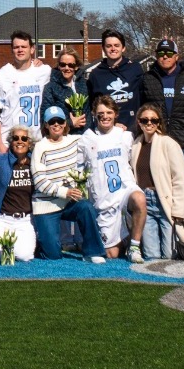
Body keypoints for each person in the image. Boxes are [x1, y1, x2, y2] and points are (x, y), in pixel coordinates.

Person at [27, 106, 106, 262]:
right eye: (52, 122)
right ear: (46, 125)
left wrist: (120, 129)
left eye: (60, 121)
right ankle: (41, 243)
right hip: (46, 204)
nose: (56, 125)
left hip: (70, 203)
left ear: (65, 124)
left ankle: (93, 252)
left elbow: (100, 139)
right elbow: (39, 182)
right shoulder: (40, 148)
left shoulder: (76, 140)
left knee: (86, 207)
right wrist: (66, 192)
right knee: (53, 255)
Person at [78, 96, 145, 262]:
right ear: (94, 114)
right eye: (101, 113)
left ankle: (135, 246)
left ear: (116, 114)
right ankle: (125, 236)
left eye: (109, 112)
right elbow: (78, 168)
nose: (105, 116)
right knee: (111, 254)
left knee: (139, 199)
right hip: (104, 200)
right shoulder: (86, 138)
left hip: (124, 192)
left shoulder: (125, 135)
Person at [129, 104, 184, 260]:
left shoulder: (168, 143)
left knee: (170, 254)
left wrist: (178, 210)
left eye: (153, 120)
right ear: (139, 122)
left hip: (166, 204)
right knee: (152, 255)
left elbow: (180, 179)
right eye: (145, 120)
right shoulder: (135, 144)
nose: (149, 123)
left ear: (159, 123)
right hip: (146, 203)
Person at [0, 31, 52, 155]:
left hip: (36, 141)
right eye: (16, 47)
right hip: (10, 143)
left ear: (32, 49)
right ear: (12, 50)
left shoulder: (44, 71)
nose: (20, 50)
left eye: (24, 47)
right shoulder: (1, 76)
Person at [145, 38, 184, 178]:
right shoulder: (147, 79)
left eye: (169, 53)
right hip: (158, 142)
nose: (165, 56)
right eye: (161, 53)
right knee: (160, 191)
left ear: (177, 56)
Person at [0, 126, 38, 262]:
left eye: (24, 138)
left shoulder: (35, 163)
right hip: (3, 220)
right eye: (15, 138)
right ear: (10, 141)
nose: (19, 141)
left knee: (24, 256)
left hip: (25, 220)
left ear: (29, 143)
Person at [83, 30, 145, 134]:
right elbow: (93, 107)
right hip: (108, 131)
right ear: (103, 48)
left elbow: (144, 97)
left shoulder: (135, 69)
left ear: (123, 48)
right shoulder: (96, 74)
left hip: (134, 130)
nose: (113, 49)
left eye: (116, 45)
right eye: (109, 46)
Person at [44, 51, 88, 134]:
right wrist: (70, 123)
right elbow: (46, 118)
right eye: (63, 65)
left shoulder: (84, 84)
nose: (67, 68)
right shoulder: (50, 87)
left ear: (76, 67)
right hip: (64, 137)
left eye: (71, 65)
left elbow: (89, 111)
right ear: (58, 66)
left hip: (86, 135)